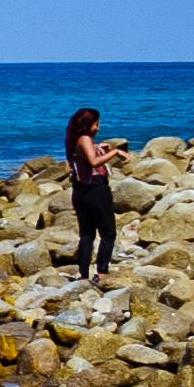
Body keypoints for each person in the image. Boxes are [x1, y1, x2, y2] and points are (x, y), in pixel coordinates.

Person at [64, 105, 127, 280]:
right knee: (108, 233)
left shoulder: (74, 139)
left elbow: (85, 156)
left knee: (87, 234)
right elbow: (93, 162)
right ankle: (102, 272)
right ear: (87, 124)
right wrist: (115, 152)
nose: (98, 127)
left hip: (80, 191)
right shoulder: (84, 139)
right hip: (96, 190)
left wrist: (99, 147)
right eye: (96, 124)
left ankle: (83, 274)